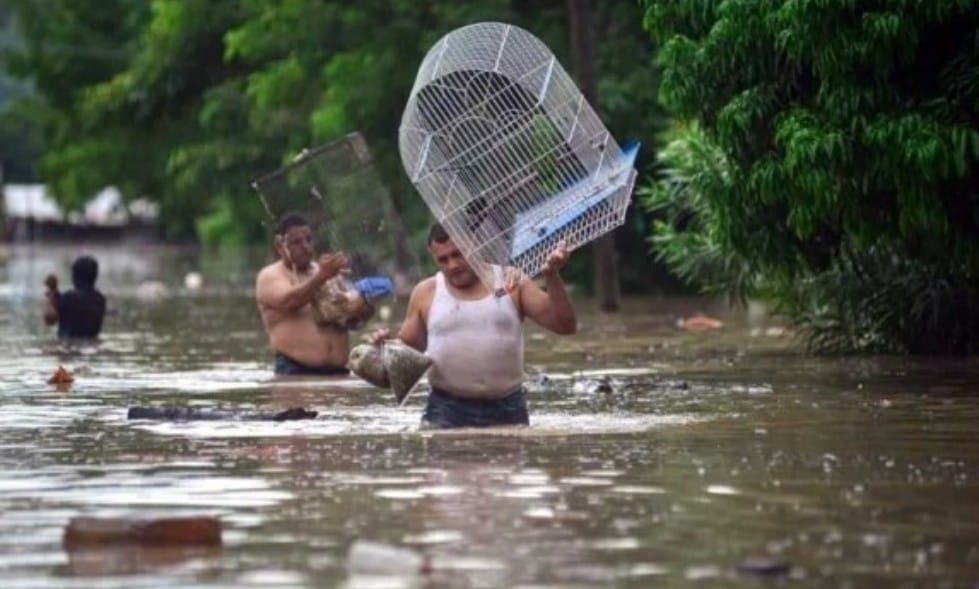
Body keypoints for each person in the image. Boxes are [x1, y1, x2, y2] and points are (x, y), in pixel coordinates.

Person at [373, 222, 577, 428]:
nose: (452, 265)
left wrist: (552, 276)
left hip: (507, 407)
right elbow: (407, 353)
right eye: (443, 259)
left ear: (476, 248)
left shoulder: (511, 282)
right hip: (445, 409)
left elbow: (565, 325)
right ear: (433, 257)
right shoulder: (426, 292)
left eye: (458, 255)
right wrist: (384, 347)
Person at [256, 213, 352, 376]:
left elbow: (352, 318)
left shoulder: (327, 272)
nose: (306, 247)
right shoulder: (270, 276)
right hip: (295, 373)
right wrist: (322, 277)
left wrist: (365, 301)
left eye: (308, 240)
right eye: (297, 242)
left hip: (340, 373)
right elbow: (289, 300)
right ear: (280, 246)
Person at [44, 255, 107, 339]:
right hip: (92, 341)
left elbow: (49, 320)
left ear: (74, 276)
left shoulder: (67, 298)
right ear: (95, 276)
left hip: (68, 342)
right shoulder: (100, 299)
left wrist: (51, 298)